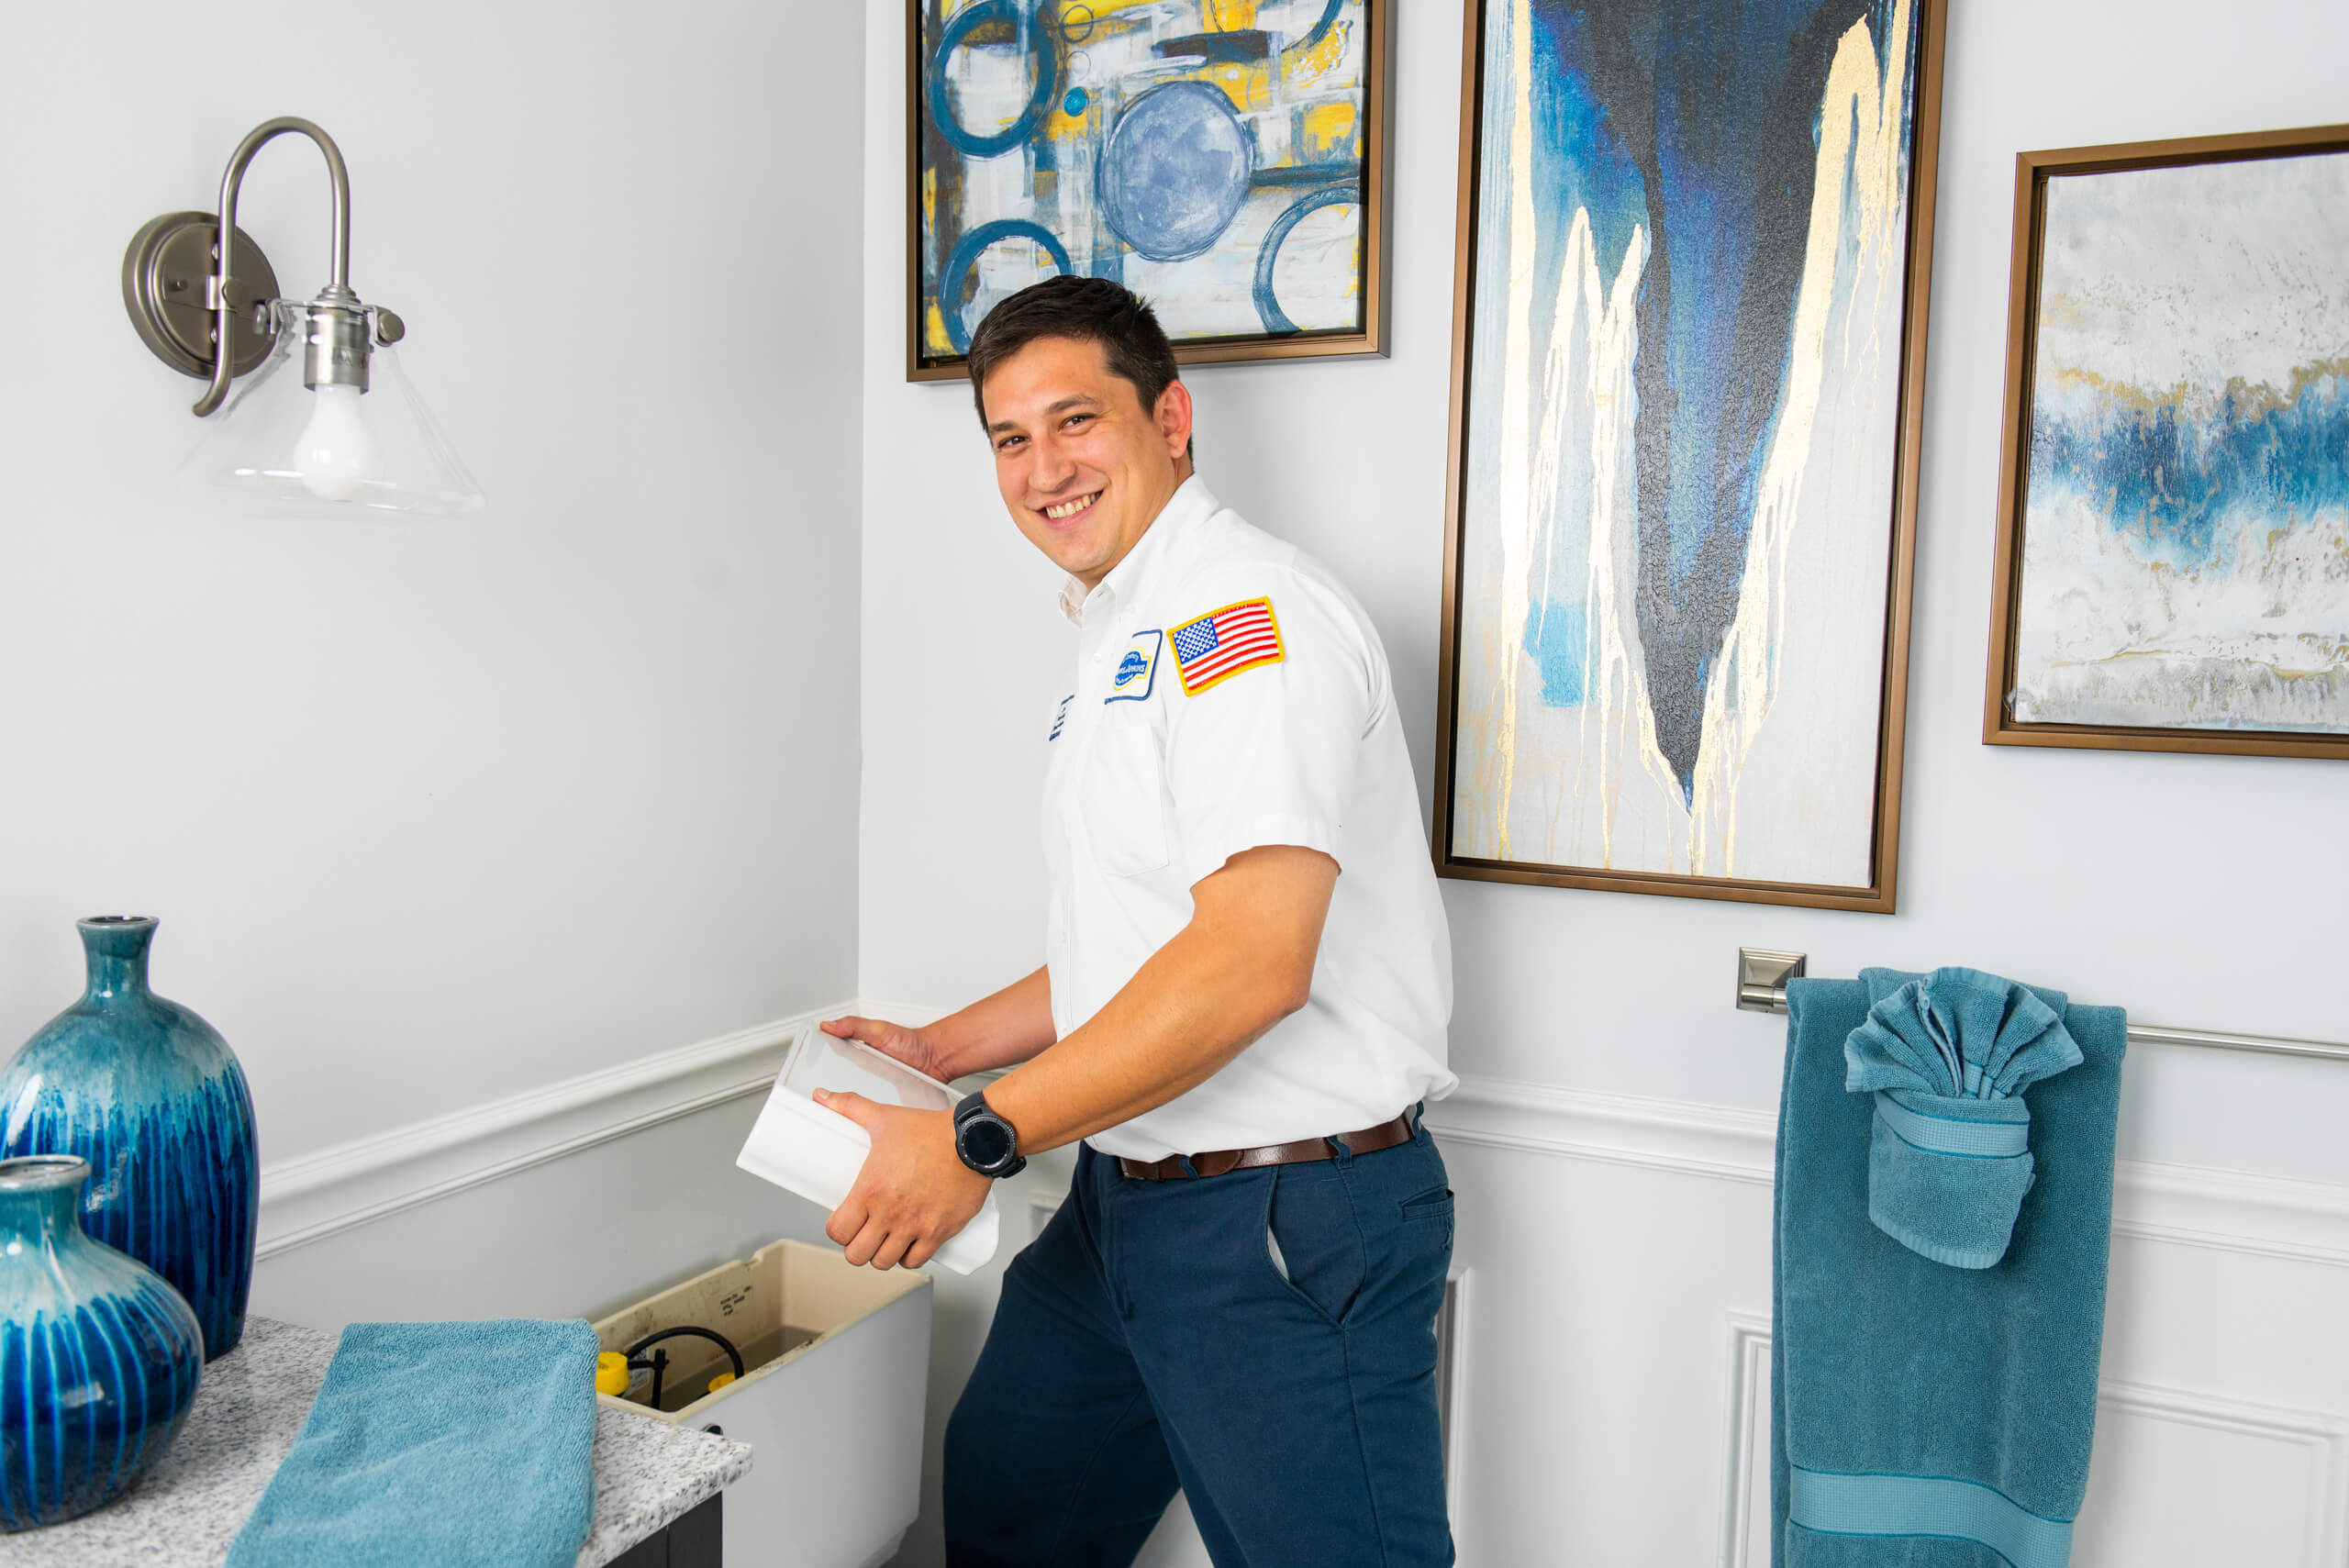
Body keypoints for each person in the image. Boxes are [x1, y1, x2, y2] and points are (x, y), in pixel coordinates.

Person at [817, 274, 1457, 1567]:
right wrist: (942, 1051)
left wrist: (979, 1133)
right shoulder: (1126, 632)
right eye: (1009, 438)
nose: (1043, 467)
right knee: (1011, 1503)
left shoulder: (1246, 621)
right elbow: (1142, 948)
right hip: (1126, 1204)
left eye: (1075, 420)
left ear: (1170, 416)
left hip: (1281, 1214)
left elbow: (1247, 962)